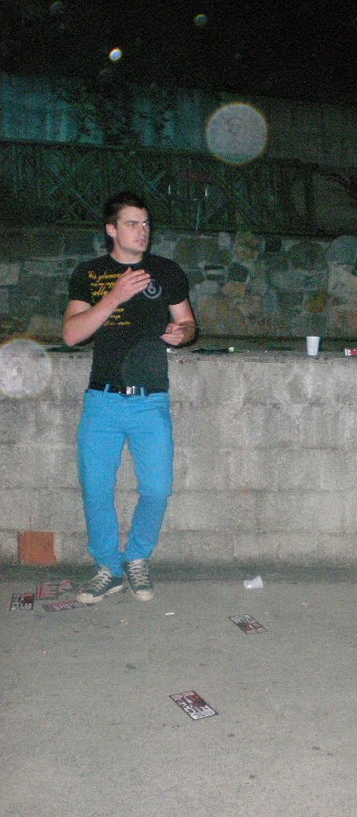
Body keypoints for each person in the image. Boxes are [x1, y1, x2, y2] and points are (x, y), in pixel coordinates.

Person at [63, 190, 197, 603]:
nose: (143, 231)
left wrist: (181, 334)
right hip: (102, 399)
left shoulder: (166, 271)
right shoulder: (90, 273)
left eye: (146, 224)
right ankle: (109, 567)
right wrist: (115, 297)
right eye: (132, 223)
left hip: (149, 399)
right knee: (96, 489)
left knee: (157, 489)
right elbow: (72, 334)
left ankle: (137, 558)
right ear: (111, 229)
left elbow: (189, 324)